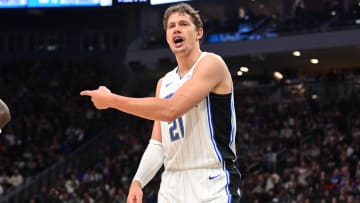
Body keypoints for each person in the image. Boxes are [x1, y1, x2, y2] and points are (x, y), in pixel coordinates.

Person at [80, 3, 241, 203]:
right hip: (172, 185)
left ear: (199, 32)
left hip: (211, 181)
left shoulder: (211, 64)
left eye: (183, 24)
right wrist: (138, 180)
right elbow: (158, 144)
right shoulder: (163, 83)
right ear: (167, 36)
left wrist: (112, 100)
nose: (176, 29)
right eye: (171, 26)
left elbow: (171, 109)